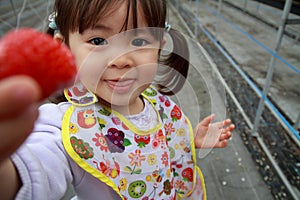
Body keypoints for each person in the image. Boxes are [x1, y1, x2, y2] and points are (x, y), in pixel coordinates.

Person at [0, 1, 234, 199]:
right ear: (65, 48)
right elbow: (33, 174)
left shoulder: (156, 100)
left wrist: (189, 139)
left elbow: (157, 143)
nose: (120, 60)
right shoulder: (64, 125)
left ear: (159, 48)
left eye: (139, 42)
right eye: (98, 41)